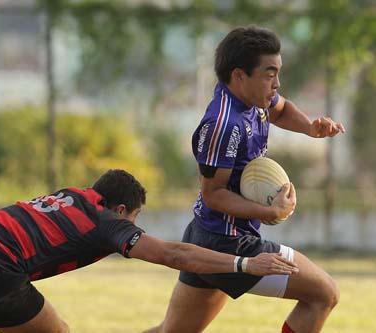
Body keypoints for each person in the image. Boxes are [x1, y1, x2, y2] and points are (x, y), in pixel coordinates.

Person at [0, 169, 298, 332]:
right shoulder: (106, 221)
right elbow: (176, 255)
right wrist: (244, 261)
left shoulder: (71, 194)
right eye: (131, 218)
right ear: (120, 210)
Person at [144, 27, 344, 333]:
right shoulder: (223, 125)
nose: (276, 83)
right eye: (269, 74)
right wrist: (271, 212)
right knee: (324, 294)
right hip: (228, 242)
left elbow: (281, 108)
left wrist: (309, 128)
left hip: (207, 234)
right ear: (239, 75)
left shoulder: (256, 100)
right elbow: (214, 194)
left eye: (278, 72)